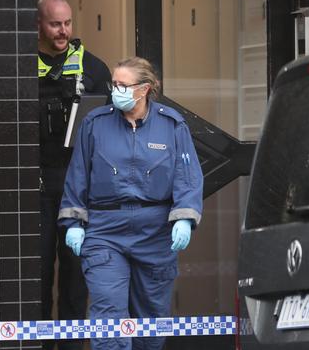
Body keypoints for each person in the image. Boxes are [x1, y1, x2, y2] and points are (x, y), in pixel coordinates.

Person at [58, 57, 203, 350]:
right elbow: (77, 176)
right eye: (114, 84)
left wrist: (185, 217)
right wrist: (74, 223)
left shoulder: (172, 125)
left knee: (151, 320)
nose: (115, 91)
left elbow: (187, 177)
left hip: (155, 233)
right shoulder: (95, 124)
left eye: (123, 85)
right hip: (105, 232)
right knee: (108, 315)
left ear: (144, 89)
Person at [37, 0, 111, 350]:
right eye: (55, 24)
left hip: (78, 183)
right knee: (36, 274)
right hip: (34, 182)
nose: (63, 31)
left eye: (67, 23)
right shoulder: (19, 66)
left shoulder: (93, 69)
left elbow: (110, 128)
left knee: (74, 274)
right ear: (38, 25)